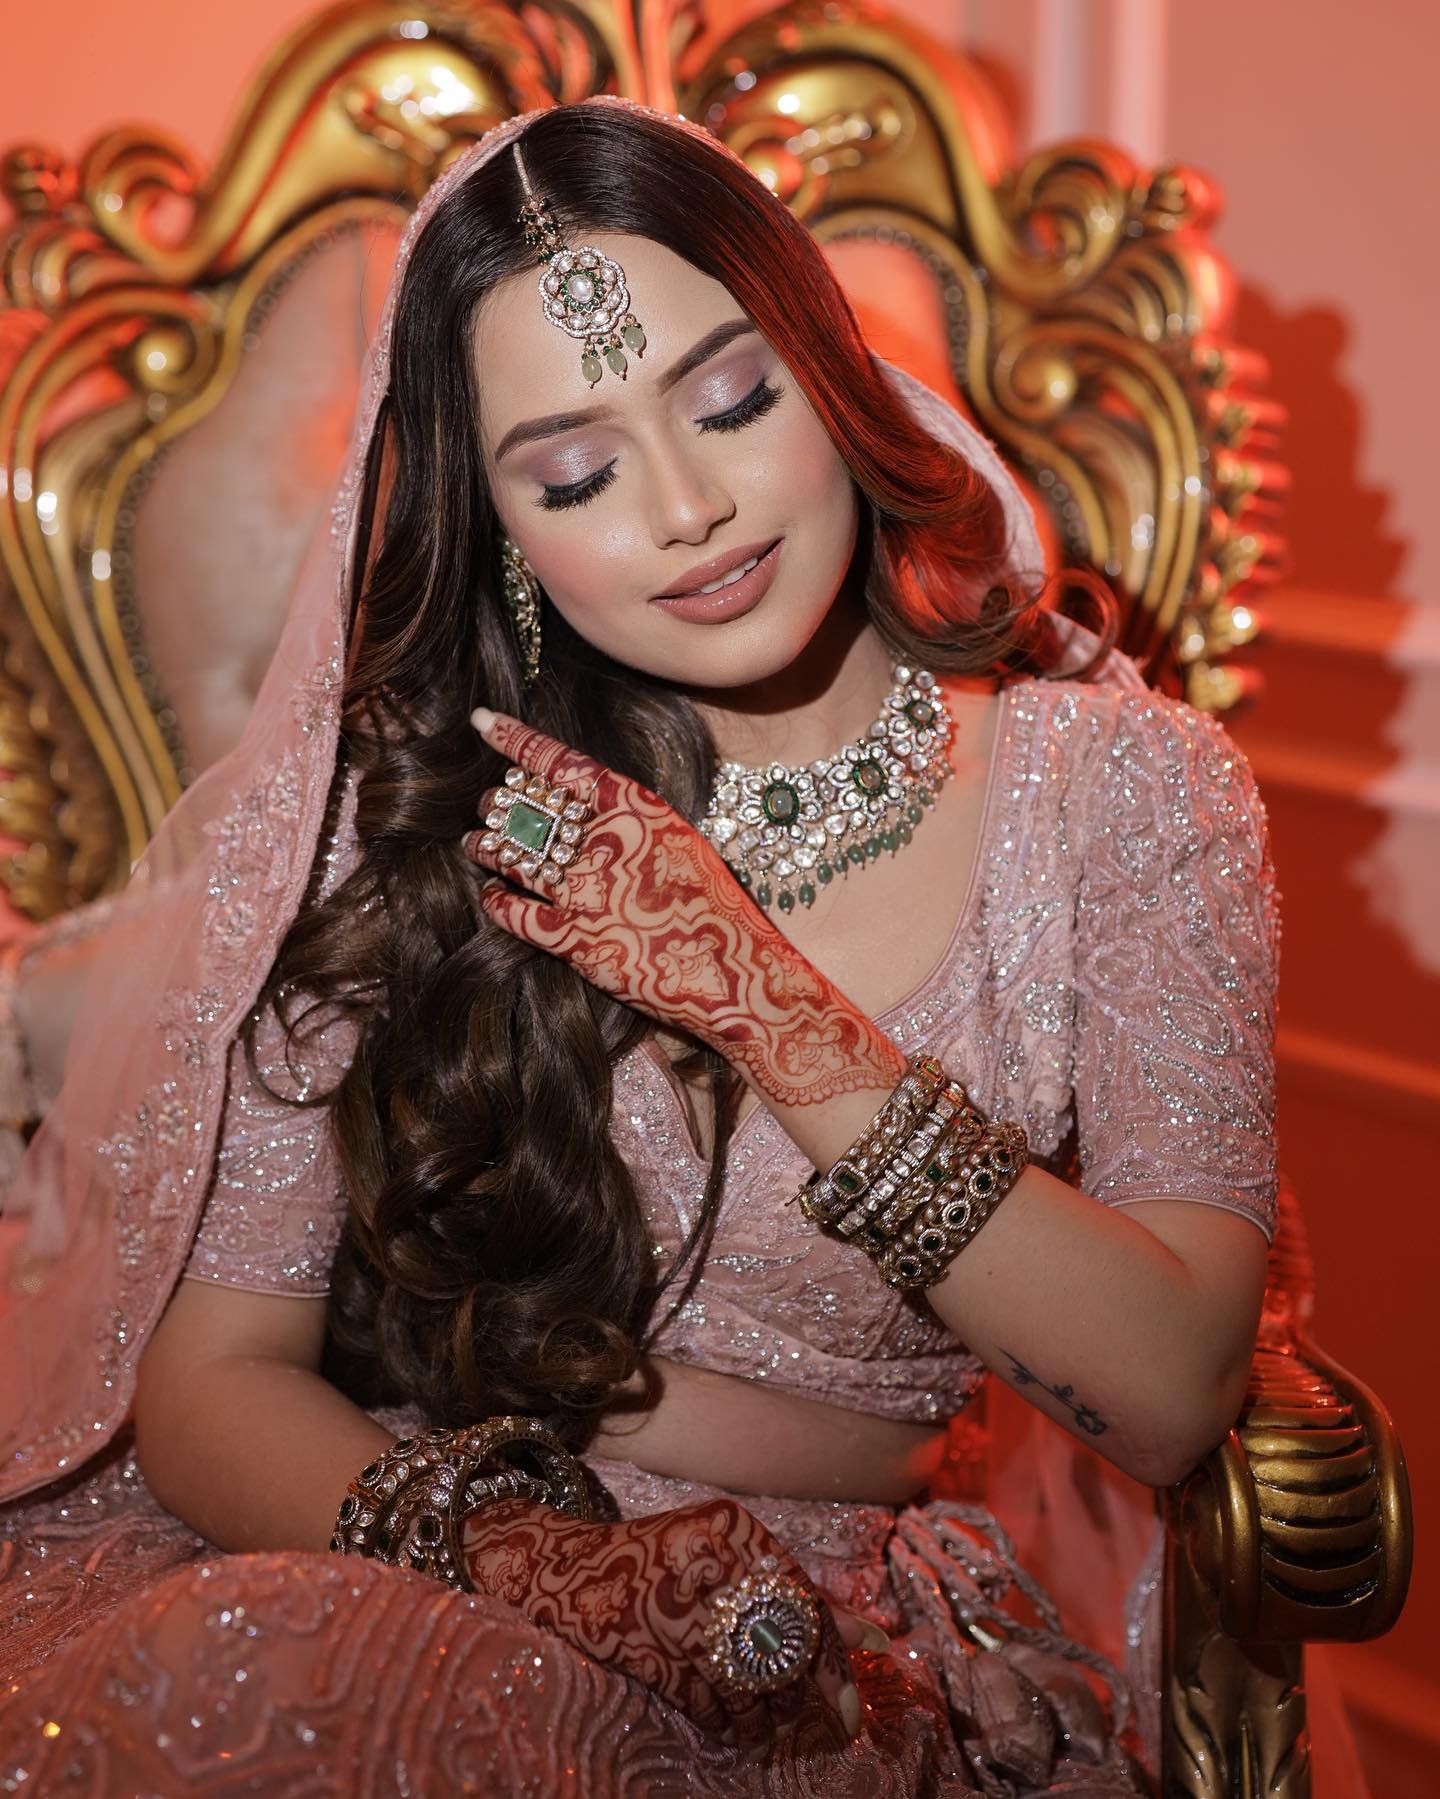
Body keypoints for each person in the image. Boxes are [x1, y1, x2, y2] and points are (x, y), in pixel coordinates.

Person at [0, 97, 1284, 1794]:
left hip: (833, 1631)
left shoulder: (1121, 788)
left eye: (734, 401)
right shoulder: (426, 808)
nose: (688, 508)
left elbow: (1176, 1388)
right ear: (508, 537)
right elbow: (212, 1385)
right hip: (430, 1550)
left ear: (834, 379)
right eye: (578, 474)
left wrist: (747, 991)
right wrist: (552, 1569)